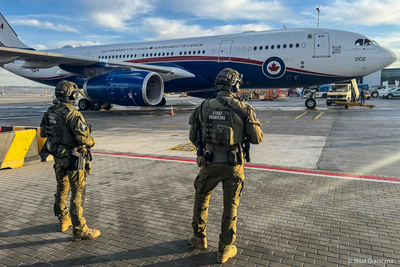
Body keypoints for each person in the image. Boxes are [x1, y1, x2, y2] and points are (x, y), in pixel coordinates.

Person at [188, 68, 263, 263]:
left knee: (201, 199)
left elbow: (193, 137)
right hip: (234, 166)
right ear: (235, 86)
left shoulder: (203, 107)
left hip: (209, 163)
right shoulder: (244, 108)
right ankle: (224, 250)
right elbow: (257, 139)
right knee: (230, 207)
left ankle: (199, 239)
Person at [40, 80, 100, 241]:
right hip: (74, 159)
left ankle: (63, 220)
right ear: (71, 95)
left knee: (62, 188)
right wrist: (92, 142)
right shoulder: (73, 114)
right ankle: (80, 229)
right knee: (78, 192)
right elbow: (84, 138)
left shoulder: (50, 112)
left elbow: (43, 134)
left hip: (58, 157)